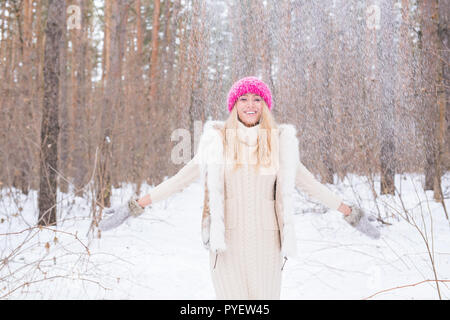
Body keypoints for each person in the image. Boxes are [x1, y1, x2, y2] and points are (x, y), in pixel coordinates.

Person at [98, 76, 380, 300]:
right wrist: (134, 206)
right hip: (226, 246)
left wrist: (350, 213)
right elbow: (180, 179)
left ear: (265, 105)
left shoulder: (280, 144)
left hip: (267, 246)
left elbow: (311, 186)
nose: (250, 104)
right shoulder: (216, 142)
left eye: (257, 99)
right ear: (234, 105)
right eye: (243, 98)